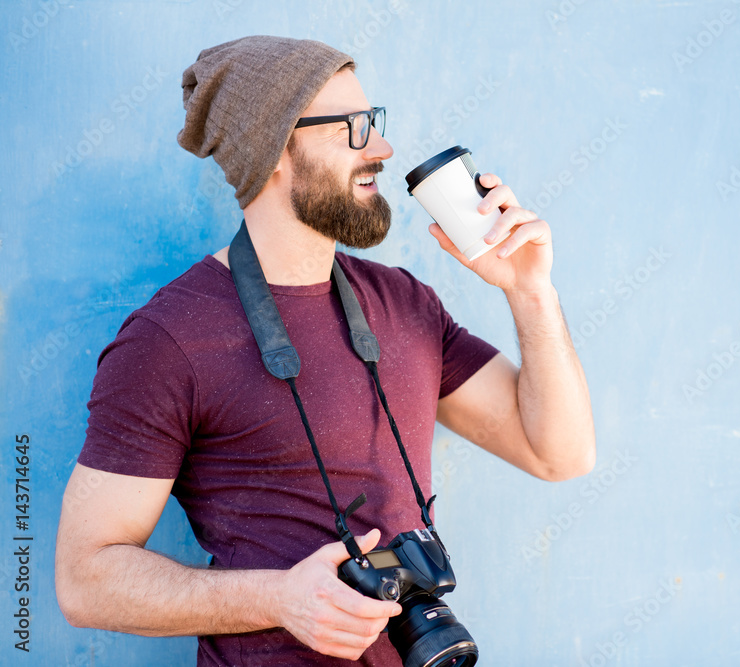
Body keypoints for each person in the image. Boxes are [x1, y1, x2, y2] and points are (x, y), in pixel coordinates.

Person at [54, 35, 595, 666]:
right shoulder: (169, 340)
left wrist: (531, 292)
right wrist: (279, 599)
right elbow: (84, 581)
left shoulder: (404, 303)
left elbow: (559, 453)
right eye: (355, 130)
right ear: (274, 148)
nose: (384, 148)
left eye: (376, 124)